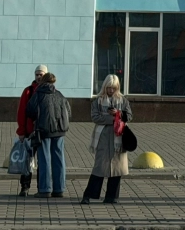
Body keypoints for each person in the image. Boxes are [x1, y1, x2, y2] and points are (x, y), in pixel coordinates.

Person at [81, 74, 132, 205]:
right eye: (109, 88)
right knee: (99, 167)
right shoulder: (97, 101)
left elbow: (129, 116)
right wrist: (112, 119)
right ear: (104, 86)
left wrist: (118, 114)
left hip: (118, 137)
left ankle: (112, 197)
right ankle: (89, 195)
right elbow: (95, 117)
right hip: (102, 136)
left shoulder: (123, 100)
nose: (111, 91)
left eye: (113, 88)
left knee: (117, 168)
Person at [25, 72, 70, 198]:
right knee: (59, 159)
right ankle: (59, 189)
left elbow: (29, 110)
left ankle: (45, 189)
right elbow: (68, 111)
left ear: (43, 81)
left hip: (43, 130)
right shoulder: (59, 94)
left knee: (44, 159)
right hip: (60, 131)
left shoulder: (38, 94)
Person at [15, 64, 48, 197]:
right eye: (37, 74)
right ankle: (25, 187)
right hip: (29, 132)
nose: (39, 77)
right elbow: (21, 112)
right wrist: (21, 131)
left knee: (43, 161)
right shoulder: (28, 91)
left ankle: (42, 188)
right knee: (27, 161)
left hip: (44, 132)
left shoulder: (49, 91)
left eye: (41, 74)